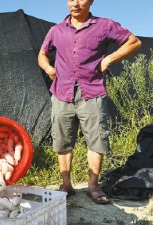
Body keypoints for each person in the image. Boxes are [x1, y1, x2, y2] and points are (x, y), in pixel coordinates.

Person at [38, 0, 141, 204]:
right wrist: (49, 68)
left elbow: (134, 42)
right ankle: (66, 185)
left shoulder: (104, 25)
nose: (75, 3)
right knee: (62, 140)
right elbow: (42, 54)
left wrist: (109, 59)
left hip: (92, 92)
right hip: (62, 92)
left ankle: (93, 186)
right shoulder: (56, 30)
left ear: (91, 1)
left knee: (96, 140)